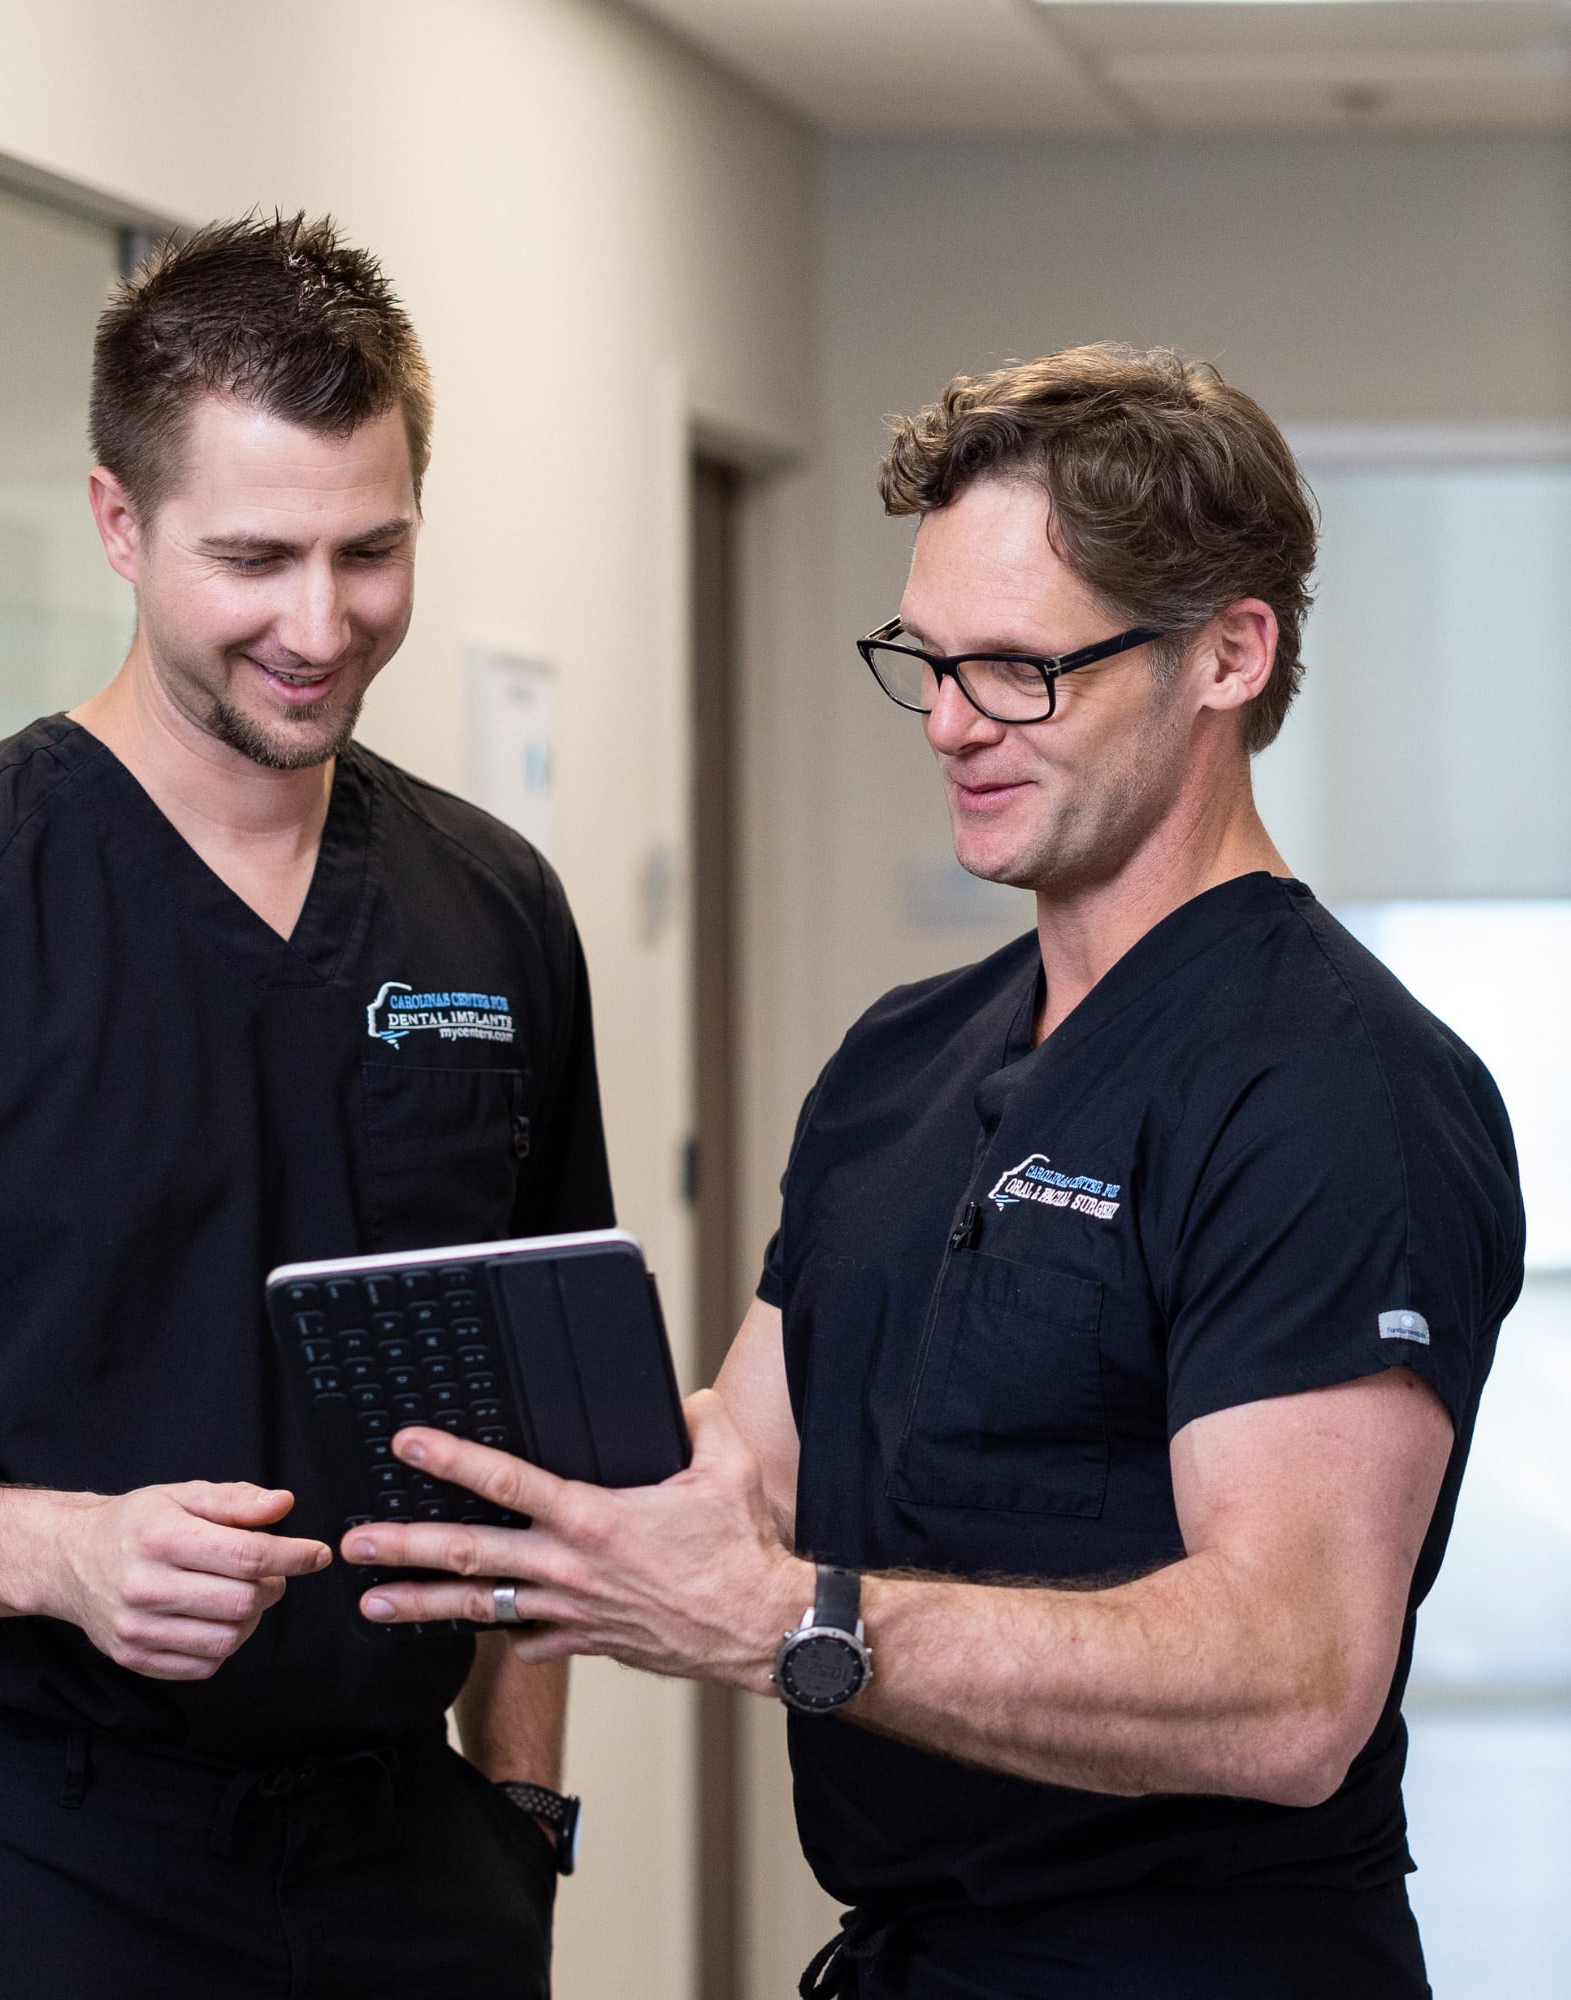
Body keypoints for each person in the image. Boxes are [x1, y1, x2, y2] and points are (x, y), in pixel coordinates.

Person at [339, 344, 1526, 1997]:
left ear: (1228, 656)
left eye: (1023, 672)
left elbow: (1292, 1684)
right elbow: (744, 1463)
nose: (954, 723)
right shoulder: (906, 1057)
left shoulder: (1334, 1089)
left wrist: (788, 1625)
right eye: (928, 661)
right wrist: (452, 1479)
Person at [0, 214, 607, 2000]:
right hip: (21, 1862)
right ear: (118, 524)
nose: (322, 624)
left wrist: (520, 1805)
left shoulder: (492, 906)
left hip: (408, 1870)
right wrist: (55, 1551)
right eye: (255, 558)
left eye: (371, 551)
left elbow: (530, 1425)